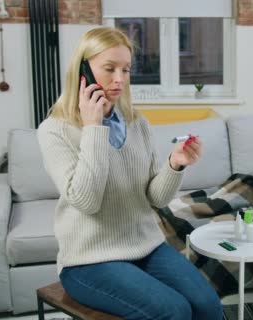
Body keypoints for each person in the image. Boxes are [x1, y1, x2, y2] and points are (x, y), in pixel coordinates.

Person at [37, 27, 223, 320]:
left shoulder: (138, 124)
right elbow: (87, 201)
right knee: (175, 312)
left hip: (146, 247)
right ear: (82, 71)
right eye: (109, 68)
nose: (119, 79)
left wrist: (175, 164)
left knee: (209, 305)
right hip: (90, 261)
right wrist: (94, 128)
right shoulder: (54, 130)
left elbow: (156, 198)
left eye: (125, 69)